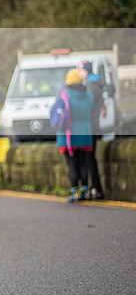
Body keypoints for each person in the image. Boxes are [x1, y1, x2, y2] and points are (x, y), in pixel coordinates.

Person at [57, 69, 95, 203]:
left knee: (72, 165)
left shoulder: (65, 94)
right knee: (83, 164)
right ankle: (84, 191)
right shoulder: (89, 95)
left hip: (69, 135)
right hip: (85, 133)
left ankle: (74, 192)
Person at [77, 61, 105, 200]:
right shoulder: (93, 84)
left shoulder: (91, 86)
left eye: (79, 70)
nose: (78, 73)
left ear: (85, 71)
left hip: (90, 127)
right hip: (92, 127)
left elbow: (87, 108)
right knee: (89, 159)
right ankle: (94, 188)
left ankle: (95, 189)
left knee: (89, 159)